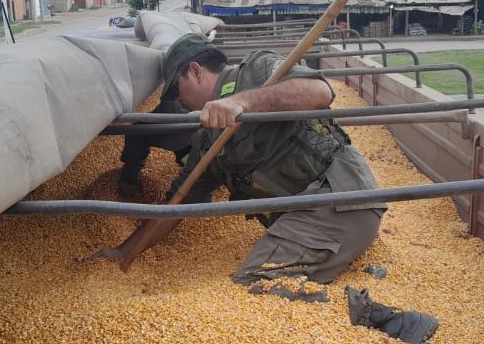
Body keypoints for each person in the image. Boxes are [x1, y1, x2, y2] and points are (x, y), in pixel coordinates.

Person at [98, 34, 381, 294]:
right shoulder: (207, 143)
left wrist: (241, 102)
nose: (178, 102)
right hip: (305, 217)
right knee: (254, 283)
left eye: (174, 91)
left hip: (339, 202)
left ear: (195, 72)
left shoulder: (256, 70)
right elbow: (176, 205)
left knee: (251, 285)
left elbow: (319, 92)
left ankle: (359, 316)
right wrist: (124, 251)